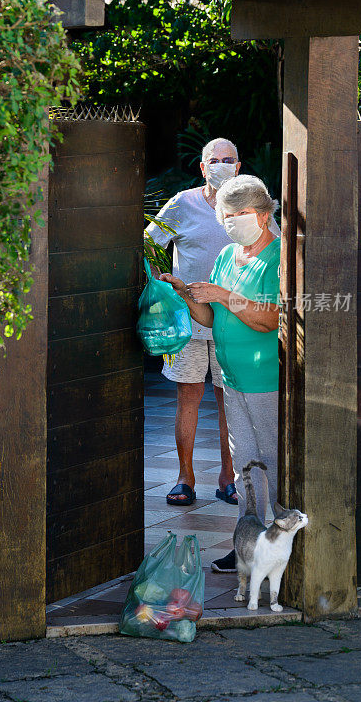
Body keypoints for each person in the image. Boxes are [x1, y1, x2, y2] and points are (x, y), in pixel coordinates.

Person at [159, 174, 281, 573]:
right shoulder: (228, 255)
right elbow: (211, 318)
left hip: (265, 378)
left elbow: (271, 319)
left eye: (241, 214)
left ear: (264, 216)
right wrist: (186, 294)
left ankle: (278, 545)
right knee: (245, 465)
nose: (232, 222)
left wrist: (223, 294)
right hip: (231, 377)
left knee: (271, 464)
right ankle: (248, 546)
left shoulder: (279, 256)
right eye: (226, 215)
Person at [145, 138, 242, 506]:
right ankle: (184, 478)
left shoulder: (249, 202)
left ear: (238, 165)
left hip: (233, 320)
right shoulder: (182, 203)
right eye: (213, 160)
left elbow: (273, 249)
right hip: (186, 321)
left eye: (227, 159)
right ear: (202, 167)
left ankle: (228, 478)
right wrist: (163, 290)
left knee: (228, 398)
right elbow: (149, 245)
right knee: (188, 395)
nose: (220, 164)